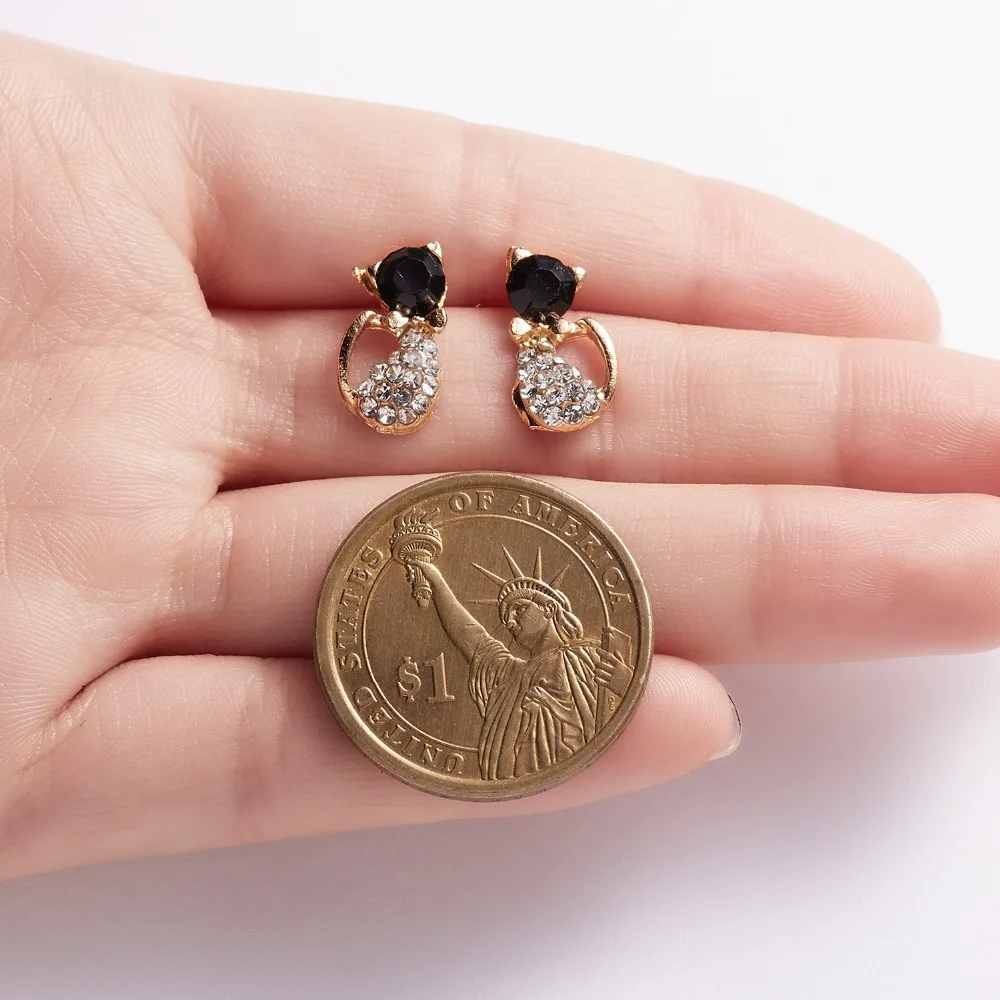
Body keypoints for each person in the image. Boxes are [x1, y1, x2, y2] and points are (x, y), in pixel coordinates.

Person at [1, 32, 998, 881]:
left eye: (521, 610)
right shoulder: (520, 658)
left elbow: (477, 632)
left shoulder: (567, 664)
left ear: (551, 617)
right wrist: (433, 566)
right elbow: (464, 627)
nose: (512, 618)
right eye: (514, 610)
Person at [407, 556, 632, 780]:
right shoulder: (512, 675)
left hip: (586, 779)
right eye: (506, 618)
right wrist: (437, 582)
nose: (510, 622)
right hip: (522, 783)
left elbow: (611, 716)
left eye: (519, 609)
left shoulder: (586, 656)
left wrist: (624, 682)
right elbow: (470, 636)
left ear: (549, 608)